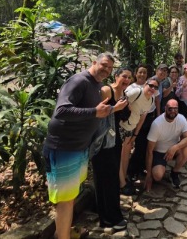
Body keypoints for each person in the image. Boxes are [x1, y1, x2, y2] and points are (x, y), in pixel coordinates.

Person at [43, 53, 115, 239]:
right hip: (64, 147)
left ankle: (63, 232)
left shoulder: (97, 84)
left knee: (71, 195)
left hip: (79, 148)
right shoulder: (79, 81)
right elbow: (61, 110)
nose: (107, 70)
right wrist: (94, 112)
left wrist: (113, 109)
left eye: (110, 68)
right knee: (65, 200)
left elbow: (96, 112)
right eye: (104, 65)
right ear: (94, 62)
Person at [89, 76, 129, 230]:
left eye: (129, 77)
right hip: (102, 141)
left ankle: (107, 211)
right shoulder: (107, 90)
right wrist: (116, 108)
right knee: (105, 178)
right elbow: (97, 114)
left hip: (114, 140)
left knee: (111, 178)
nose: (126, 79)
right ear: (116, 76)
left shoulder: (123, 93)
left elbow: (121, 117)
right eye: (124, 76)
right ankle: (109, 218)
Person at [119, 74, 157, 196]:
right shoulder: (136, 92)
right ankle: (121, 183)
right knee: (119, 155)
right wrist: (128, 108)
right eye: (151, 85)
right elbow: (121, 101)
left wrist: (135, 134)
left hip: (131, 129)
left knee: (125, 155)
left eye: (155, 87)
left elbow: (142, 117)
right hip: (121, 126)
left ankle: (124, 178)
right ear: (145, 84)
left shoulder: (151, 100)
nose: (152, 88)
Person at [145, 99, 187, 191]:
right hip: (159, 152)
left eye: (175, 109)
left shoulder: (181, 119)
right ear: (165, 108)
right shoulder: (157, 124)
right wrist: (149, 175)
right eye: (170, 109)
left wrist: (175, 147)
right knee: (157, 176)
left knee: (186, 150)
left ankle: (174, 173)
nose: (173, 111)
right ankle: (155, 168)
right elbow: (149, 151)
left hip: (174, 149)